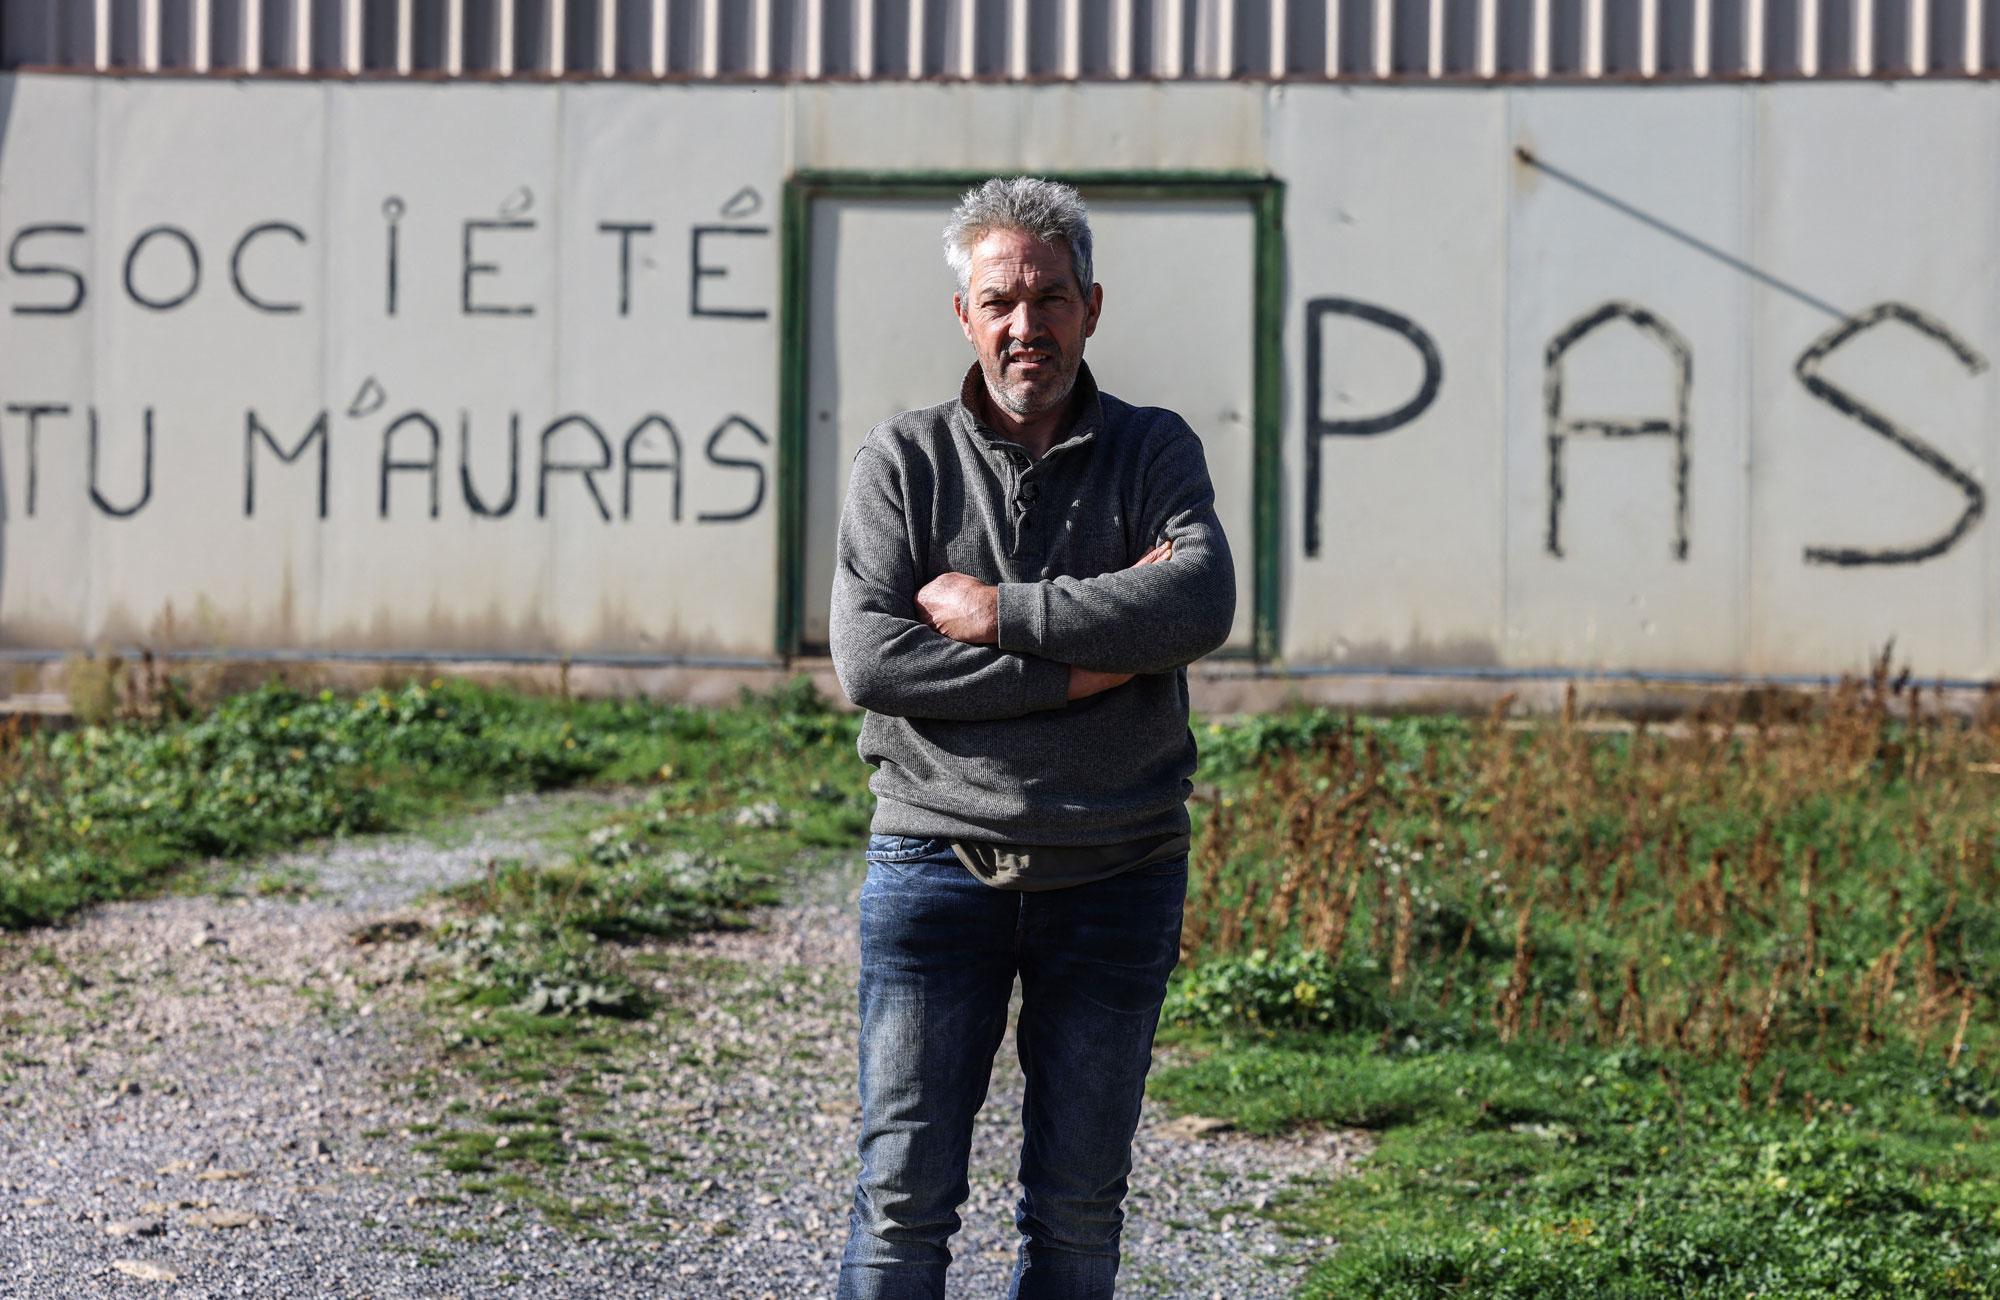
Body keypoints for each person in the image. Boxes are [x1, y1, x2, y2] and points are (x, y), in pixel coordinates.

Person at [827, 175, 1236, 1299]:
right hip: (932, 863)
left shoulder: (1154, 450)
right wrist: (1100, 656)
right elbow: (872, 662)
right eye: (999, 300)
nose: (1026, 326)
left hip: (1119, 866)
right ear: (964, 315)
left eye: (1049, 297)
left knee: (1075, 1211)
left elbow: (1198, 604)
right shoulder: (900, 462)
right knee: (904, 1201)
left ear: (1090, 307)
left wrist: (999, 613)